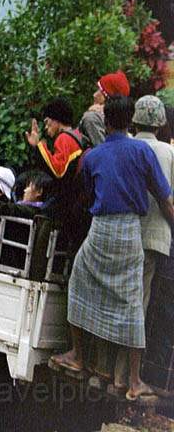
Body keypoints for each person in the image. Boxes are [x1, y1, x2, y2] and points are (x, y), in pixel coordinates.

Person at [49, 96, 174, 402]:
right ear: (130, 120)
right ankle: (133, 380)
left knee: (80, 282)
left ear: (105, 121)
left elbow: (89, 196)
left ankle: (79, 355)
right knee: (131, 300)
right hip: (130, 230)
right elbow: (163, 196)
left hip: (101, 228)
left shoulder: (93, 156)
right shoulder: (142, 151)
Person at [112, 95, 174, 391]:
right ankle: (123, 378)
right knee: (139, 306)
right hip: (152, 239)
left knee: (119, 301)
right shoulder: (167, 152)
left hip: (122, 233)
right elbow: (168, 200)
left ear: (134, 120)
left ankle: (109, 372)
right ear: (161, 123)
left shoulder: (124, 145)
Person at [26, 98, 89, 255]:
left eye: (47, 122)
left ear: (56, 121)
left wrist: (39, 145)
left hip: (66, 204)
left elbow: (58, 170)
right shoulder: (78, 136)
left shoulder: (65, 138)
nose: (46, 128)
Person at [78, 70, 130, 148]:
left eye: (99, 90)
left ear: (107, 97)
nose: (94, 95)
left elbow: (102, 151)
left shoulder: (92, 118)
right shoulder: (122, 122)